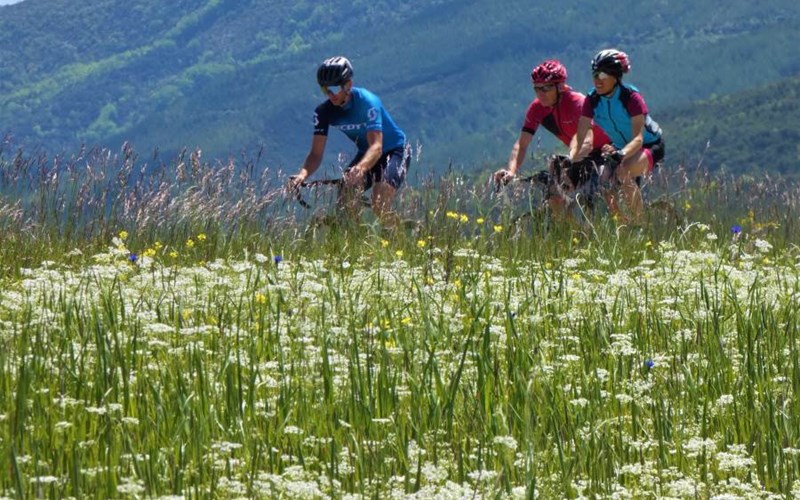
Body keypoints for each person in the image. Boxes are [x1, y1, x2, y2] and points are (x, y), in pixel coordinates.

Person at [288, 56, 410, 223]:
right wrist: (302, 175)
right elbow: (316, 154)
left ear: (348, 85)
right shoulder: (324, 112)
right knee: (345, 199)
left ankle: (399, 236)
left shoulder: (367, 102)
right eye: (325, 89)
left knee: (379, 203)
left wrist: (360, 168)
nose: (330, 95)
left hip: (395, 150)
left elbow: (377, 147)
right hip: (365, 153)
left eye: (334, 88)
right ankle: (356, 235)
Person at [493, 59, 611, 215]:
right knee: (554, 194)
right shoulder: (537, 108)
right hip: (579, 156)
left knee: (603, 195)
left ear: (560, 87)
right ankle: (571, 229)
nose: (540, 94)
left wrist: (571, 159)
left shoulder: (577, 102)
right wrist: (511, 171)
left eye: (546, 88)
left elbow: (586, 140)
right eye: (536, 88)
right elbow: (521, 144)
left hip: (607, 151)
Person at [570, 49, 664, 221]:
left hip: (649, 145)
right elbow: (581, 131)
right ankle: (621, 222)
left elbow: (638, 139)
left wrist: (621, 154)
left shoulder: (631, 97)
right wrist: (573, 156)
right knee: (603, 179)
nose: (597, 80)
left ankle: (640, 224)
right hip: (620, 147)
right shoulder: (592, 100)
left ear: (615, 77)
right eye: (595, 74)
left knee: (623, 172)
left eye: (602, 75)